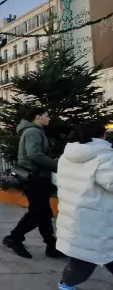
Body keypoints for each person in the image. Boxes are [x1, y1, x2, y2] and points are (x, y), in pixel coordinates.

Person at [55, 121, 113, 290]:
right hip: (98, 219)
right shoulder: (104, 156)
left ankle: (66, 284)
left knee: (83, 256)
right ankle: (66, 285)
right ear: (101, 135)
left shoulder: (67, 155)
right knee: (90, 258)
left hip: (76, 216)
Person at [3, 107, 64, 259]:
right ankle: (14, 238)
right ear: (38, 117)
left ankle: (51, 245)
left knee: (43, 212)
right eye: (47, 115)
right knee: (38, 212)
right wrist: (56, 164)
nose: (49, 118)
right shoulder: (33, 132)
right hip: (35, 177)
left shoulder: (34, 131)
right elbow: (34, 154)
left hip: (37, 177)